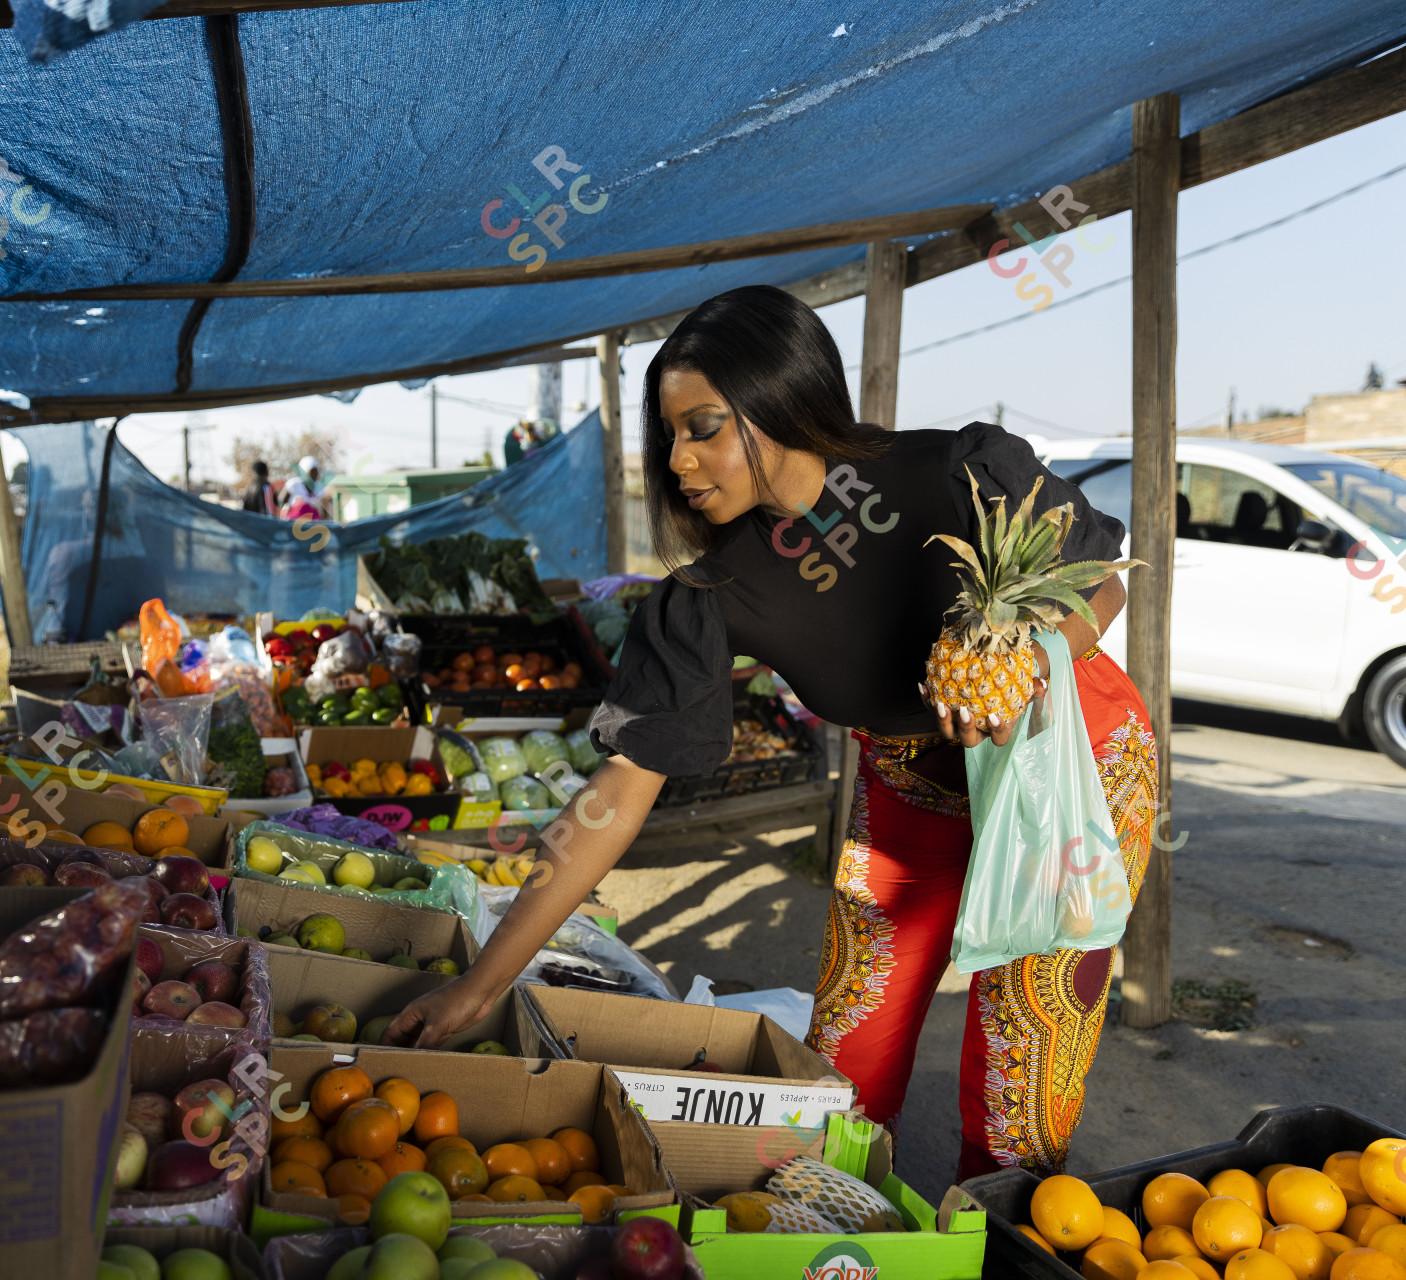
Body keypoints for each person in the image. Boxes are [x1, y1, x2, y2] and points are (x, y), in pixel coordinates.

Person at [385, 285, 1157, 1182]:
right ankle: (838, 1238)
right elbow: (615, 796)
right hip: (910, 784)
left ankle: (997, 1245)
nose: (677, 459)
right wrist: (482, 985)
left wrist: (1026, 660)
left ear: (779, 400)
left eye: (703, 427)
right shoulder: (709, 599)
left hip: (1067, 762)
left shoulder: (953, 472)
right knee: (843, 1057)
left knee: (1023, 1063)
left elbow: (1102, 585)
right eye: (668, 433)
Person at [275, 455, 326, 520]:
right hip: (293, 525)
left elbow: (324, 513)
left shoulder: (320, 488)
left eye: (316, 471)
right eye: (312, 472)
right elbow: (280, 502)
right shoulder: (294, 484)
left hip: (314, 526)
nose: (314, 475)